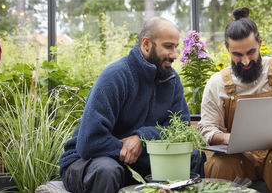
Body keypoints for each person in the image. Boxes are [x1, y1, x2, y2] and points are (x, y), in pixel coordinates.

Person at [59, 17, 205, 193]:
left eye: (176, 47)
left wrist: (142, 139)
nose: (174, 54)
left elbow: (180, 129)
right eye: (168, 46)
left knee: (193, 157)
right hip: (87, 161)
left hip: (139, 161)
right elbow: (89, 142)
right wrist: (127, 148)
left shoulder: (172, 80)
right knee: (108, 169)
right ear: (146, 44)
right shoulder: (115, 76)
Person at [198, 7, 272, 193]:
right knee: (220, 165)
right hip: (238, 158)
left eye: (251, 52)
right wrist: (227, 137)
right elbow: (207, 129)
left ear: (260, 43)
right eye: (237, 55)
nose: (245, 61)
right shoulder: (217, 83)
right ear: (227, 48)